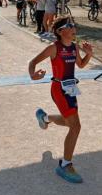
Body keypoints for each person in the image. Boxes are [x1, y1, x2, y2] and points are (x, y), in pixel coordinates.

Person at [29, 16, 93, 183]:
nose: (74, 28)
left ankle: (44, 118)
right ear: (60, 31)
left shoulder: (74, 47)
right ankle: (65, 164)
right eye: (70, 25)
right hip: (58, 89)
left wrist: (89, 54)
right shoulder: (53, 48)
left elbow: (81, 65)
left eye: (74, 25)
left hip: (71, 89)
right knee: (76, 126)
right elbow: (33, 62)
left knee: (69, 123)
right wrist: (33, 74)